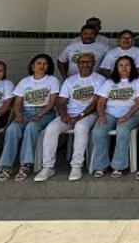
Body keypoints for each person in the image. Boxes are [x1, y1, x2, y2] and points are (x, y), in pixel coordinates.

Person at [34, 53, 101, 182]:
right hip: (69, 114)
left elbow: (95, 103)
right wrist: (64, 114)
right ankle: (47, 166)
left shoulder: (99, 79)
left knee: (80, 127)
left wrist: (80, 116)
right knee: (51, 129)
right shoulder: (70, 81)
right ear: (77, 64)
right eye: (82, 62)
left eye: (88, 62)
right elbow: (61, 101)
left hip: (89, 114)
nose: (85, 65)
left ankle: (76, 166)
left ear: (94, 64)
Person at [0, 54, 59, 182]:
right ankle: (6, 165)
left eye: (45, 64)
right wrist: (18, 114)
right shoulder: (25, 81)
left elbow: (52, 102)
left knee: (31, 127)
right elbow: (17, 102)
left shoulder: (52, 80)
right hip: (26, 112)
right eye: (39, 63)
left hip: (45, 112)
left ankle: (25, 164)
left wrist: (40, 114)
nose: (42, 66)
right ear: (32, 66)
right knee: (13, 129)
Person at [90, 55, 139, 178]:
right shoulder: (109, 82)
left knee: (122, 130)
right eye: (120, 65)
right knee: (98, 132)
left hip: (131, 114)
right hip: (110, 114)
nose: (124, 68)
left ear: (132, 67)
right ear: (116, 68)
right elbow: (101, 102)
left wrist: (127, 116)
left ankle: (118, 166)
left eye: (127, 65)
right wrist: (101, 115)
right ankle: (100, 165)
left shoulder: (138, 81)